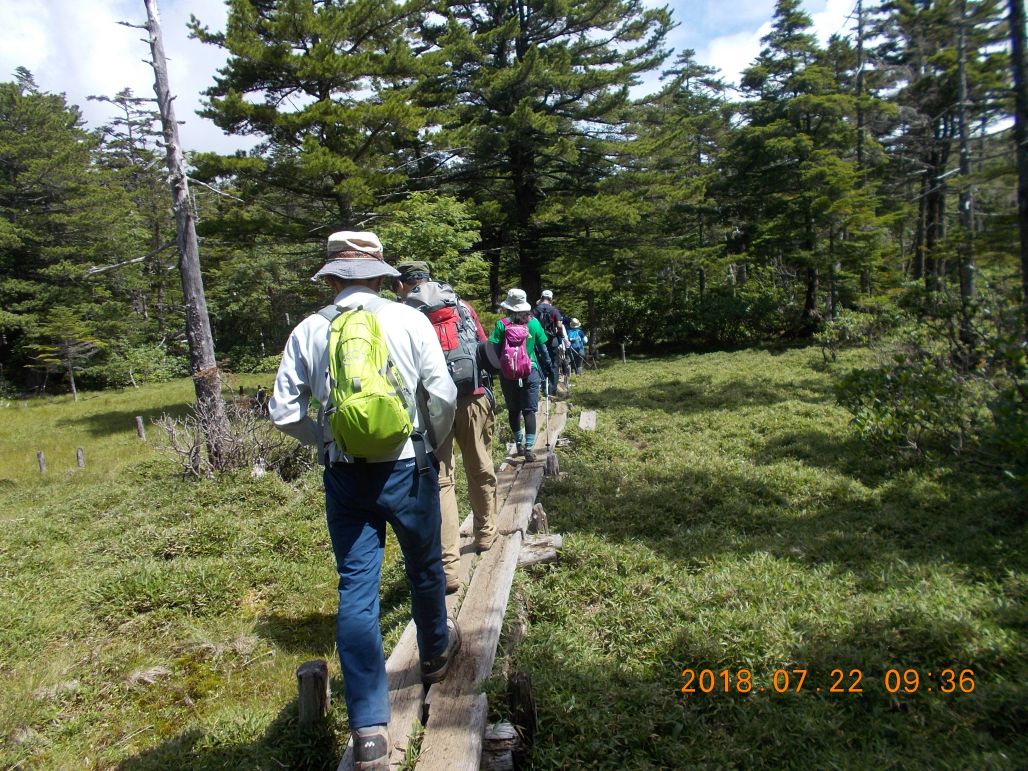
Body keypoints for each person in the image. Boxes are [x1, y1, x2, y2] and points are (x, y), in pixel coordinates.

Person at [268, 231, 460, 770]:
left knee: (357, 589)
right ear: (381, 275)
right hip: (408, 465)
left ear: (330, 278)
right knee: (425, 570)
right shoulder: (409, 319)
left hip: (345, 476)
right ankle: (437, 655)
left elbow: (283, 413)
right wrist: (434, 444)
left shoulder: (308, 330)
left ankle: (370, 728)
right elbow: (442, 393)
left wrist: (327, 439)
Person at [394, 261, 498, 592]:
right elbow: (483, 347)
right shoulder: (460, 305)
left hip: (430, 402)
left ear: (402, 285)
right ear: (429, 277)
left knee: (441, 480)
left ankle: (449, 568)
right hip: (472, 395)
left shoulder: (402, 314)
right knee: (479, 464)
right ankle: (485, 533)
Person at [490, 288, 553, 463]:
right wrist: (548, 367)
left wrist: (497, 369)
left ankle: (518, 443)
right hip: (530, 371)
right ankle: (529, 449)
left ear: (509, 307)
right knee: (529, 411)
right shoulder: (533, 324)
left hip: (507, 373)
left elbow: (493, 349)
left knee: (513, 409)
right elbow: (543, 348)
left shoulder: (501, 325)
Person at [533, 289, 570, 394]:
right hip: (552, 339)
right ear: (551, 298)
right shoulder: (554, 310)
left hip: (539, 340)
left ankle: (544, 386)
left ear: (542, 297)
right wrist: (561, 335)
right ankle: (552, 389)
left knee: (541, 361)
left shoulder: (536, 310)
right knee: (554, 363)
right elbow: (559, 325)